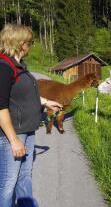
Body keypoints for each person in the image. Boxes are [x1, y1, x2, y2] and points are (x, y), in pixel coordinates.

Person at [0, 24, 62, 207]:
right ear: (20, 43)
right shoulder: (3, 67)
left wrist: (45, 102)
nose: (31, 45)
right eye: (30, 41)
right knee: (7, 184)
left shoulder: (18, 66)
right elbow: (1, 107)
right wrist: (14, 140)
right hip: (13, 134)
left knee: (24, 178)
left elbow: (24, 94)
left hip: (27, 131)